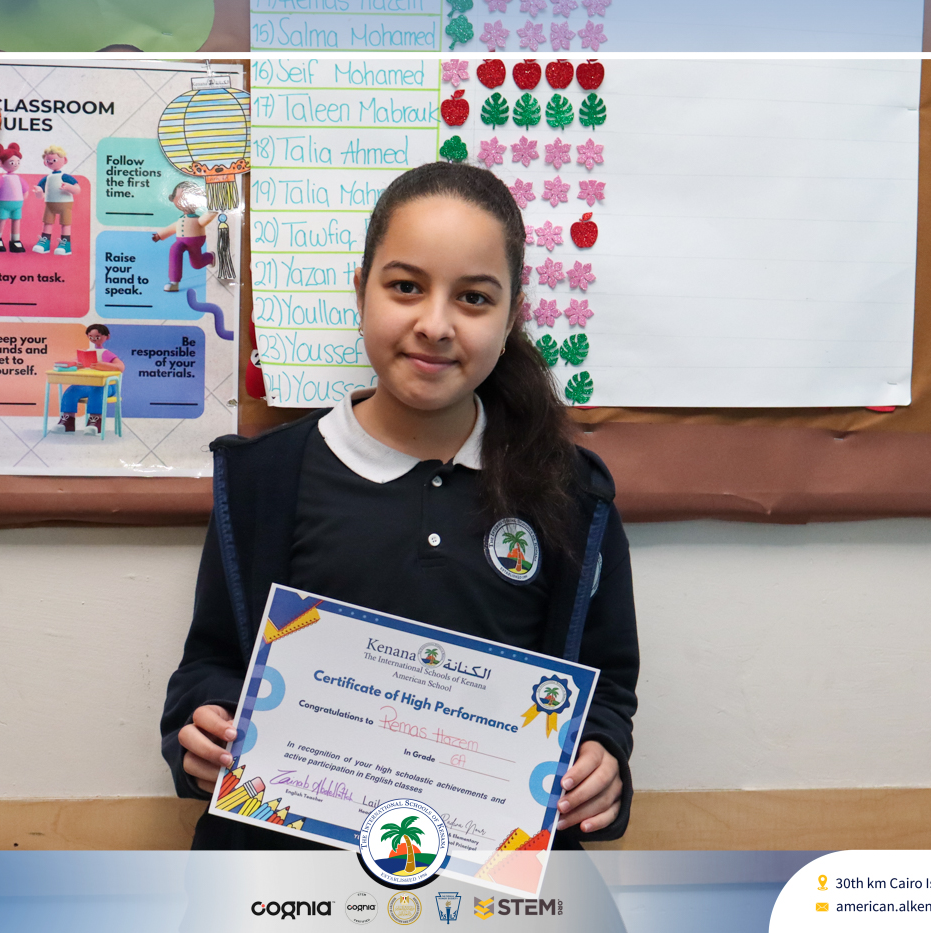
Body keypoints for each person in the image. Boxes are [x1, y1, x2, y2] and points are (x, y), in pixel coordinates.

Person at [159, 161, 639, 851]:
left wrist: (601, 758)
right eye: (406, 287)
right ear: (361, 292)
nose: (435, 324)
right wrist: (200, 729)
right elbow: (210, 662)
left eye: (473, 298)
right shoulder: (266, 480)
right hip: (291, 880)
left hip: (484, 884)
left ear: (512, 316)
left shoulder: (572, 496)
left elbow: (603, 689)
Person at [52, 323, 124, 435]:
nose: (94, 339)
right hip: (87, 385)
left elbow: (121, 367)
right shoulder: (86, 352)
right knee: (71, 391)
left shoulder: (106, 354)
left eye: (97, 337)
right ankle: (67, 420)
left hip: (107, 386)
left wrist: (104, 366)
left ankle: (95, 420)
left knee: (97, 391)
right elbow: (72, 362)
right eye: (91, 336)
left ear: (107, 337)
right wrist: (76, 364)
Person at [151, 181, 217, 291]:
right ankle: (174, 282)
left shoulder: (196, 219)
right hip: (181, 242)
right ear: (173, 199)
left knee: (196, 264)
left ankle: (210, 257)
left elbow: (204, 220)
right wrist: (159, 235)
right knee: (175, 249)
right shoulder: (180, 220)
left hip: (195, 242)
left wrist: (213, 211)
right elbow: (172, 228)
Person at [32, 145, 80, 256]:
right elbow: (40, 196)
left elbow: (77, 189)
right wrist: (39, 192)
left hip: (65, 205)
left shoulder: (66, 177)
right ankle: (45, 242)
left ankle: (65, 244)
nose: (51, 162)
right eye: (48, 161)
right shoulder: (47, 178)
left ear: (65, 160)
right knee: (47, 222)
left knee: (65, 223)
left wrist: (69, 187)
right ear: (45, 163)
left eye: (54, 160)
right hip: (50, 205)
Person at [0, 142, 31, 252]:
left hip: (17, 206)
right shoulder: (1, 179)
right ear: (1, 164)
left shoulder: (19, 179)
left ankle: (15, 240)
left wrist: (20, 200)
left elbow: (26, 191)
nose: (15, 164)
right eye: (12, 162)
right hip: (3, 205)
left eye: (18, 162)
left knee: (16, 221)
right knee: (1, 220)